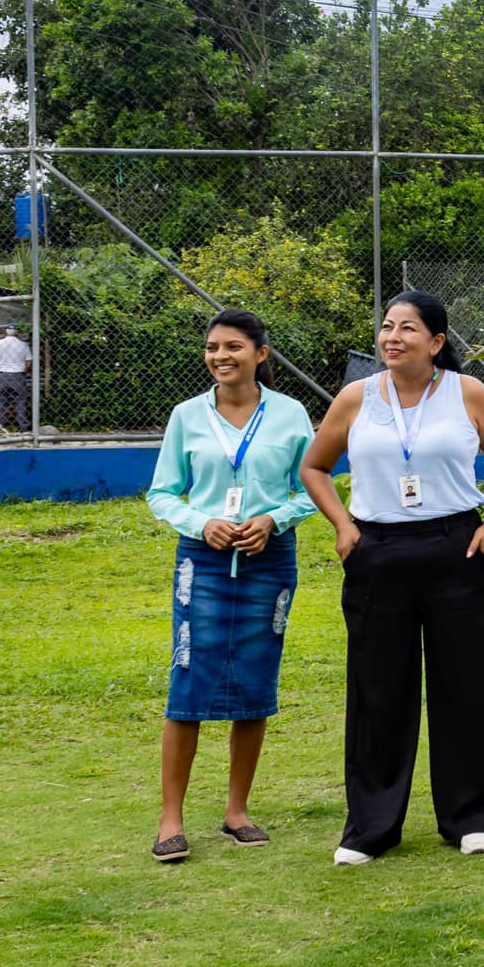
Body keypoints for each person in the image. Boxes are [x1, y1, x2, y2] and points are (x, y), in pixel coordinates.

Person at [301, 291, 484, 865]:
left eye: (407, 329)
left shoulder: (467, 393)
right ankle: (370, 827)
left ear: (436, 342)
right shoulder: (356, 397)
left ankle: (473, 816)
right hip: (377, 551)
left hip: (455, 547)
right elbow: (313, 466)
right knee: (378, 688)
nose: (392, 338)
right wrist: (343, 526)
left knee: (466, 682)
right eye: (387, 327)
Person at [142, 310, 318, 862]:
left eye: (233, 347)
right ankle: (171, 820)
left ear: (260, 354)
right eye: (213, 347)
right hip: (205, 562)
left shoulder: (290, 415)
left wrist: (273, 520)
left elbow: (311, 487)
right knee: (188, 681)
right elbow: (162, 493)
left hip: (269, 560)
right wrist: (202, 523)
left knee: (254, 681)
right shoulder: (187, 416)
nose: (221, 356)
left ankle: (237, 813)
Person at [0, 323, 30, 431]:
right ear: (17, 332)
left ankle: (0, 425)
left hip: (3, 374)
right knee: (21, 401)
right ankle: (23, 427)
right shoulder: (23, 344)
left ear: (6, 331)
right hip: (18, 375)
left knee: (2, 401)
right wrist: (23, 371)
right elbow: (28, 362)